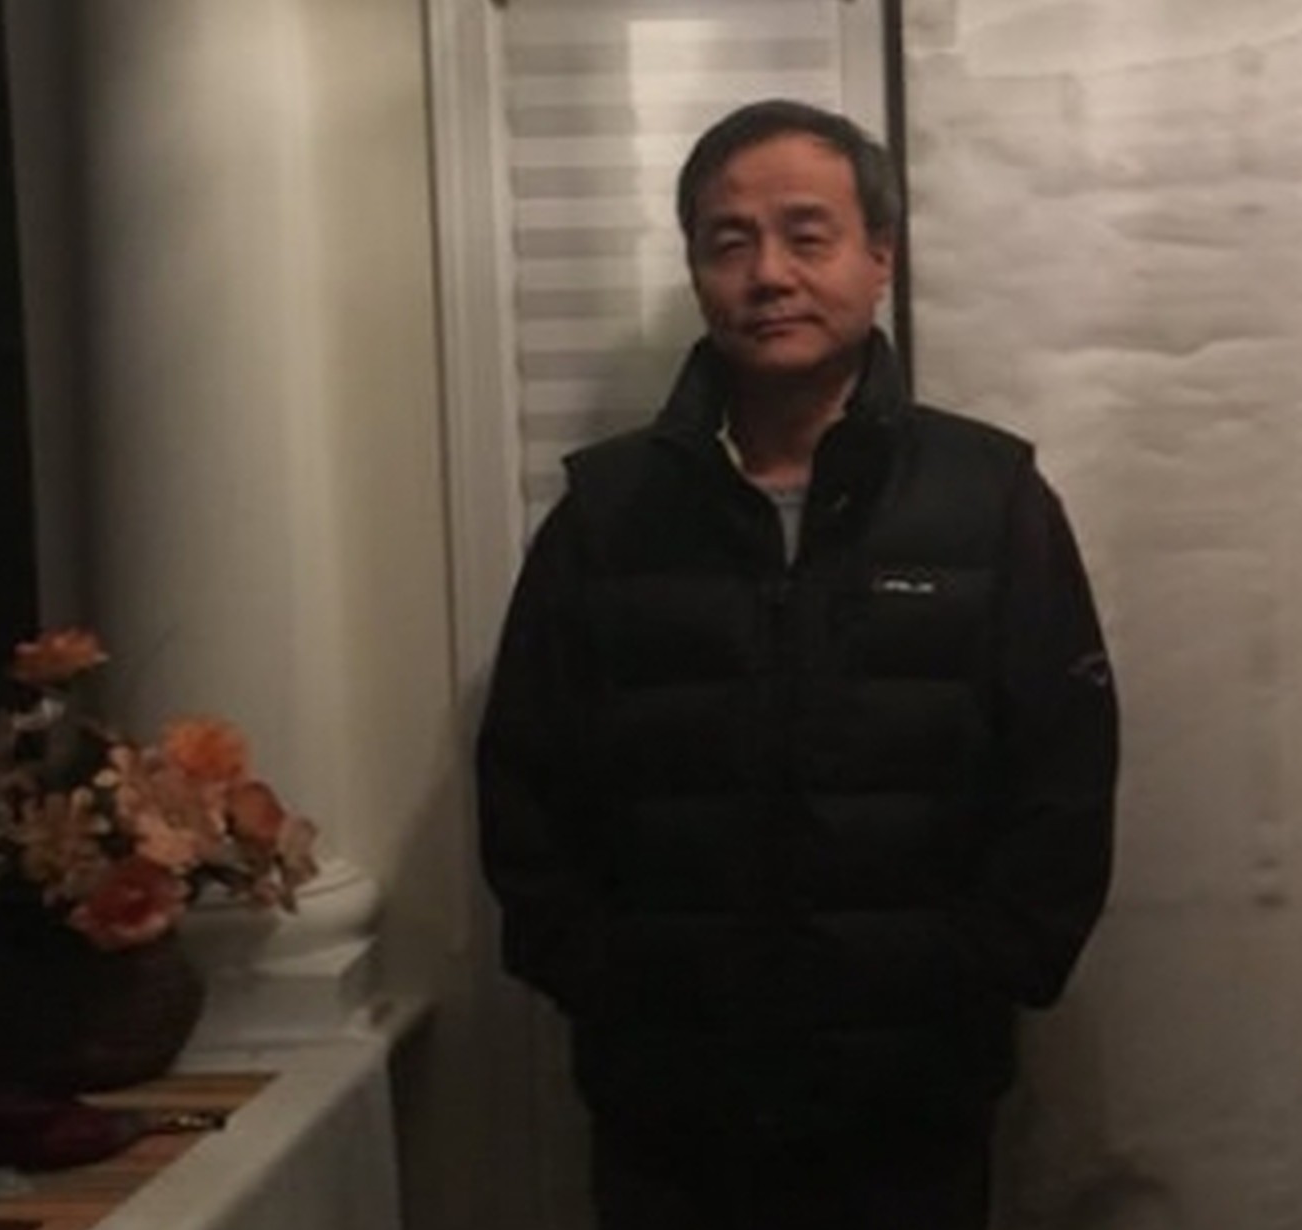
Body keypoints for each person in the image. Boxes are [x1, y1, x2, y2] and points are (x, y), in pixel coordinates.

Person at [476, 99, 1119, 1230]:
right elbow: (526, 782)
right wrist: (603, 978)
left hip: (911, 1099)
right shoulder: (607, 515)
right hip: (668, 1108)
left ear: (880, 257)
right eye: (729, 242)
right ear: (696, 270)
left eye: (806, 235)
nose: (768, 273)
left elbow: (1065, 777)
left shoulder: (989, 499)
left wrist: (978, 970)